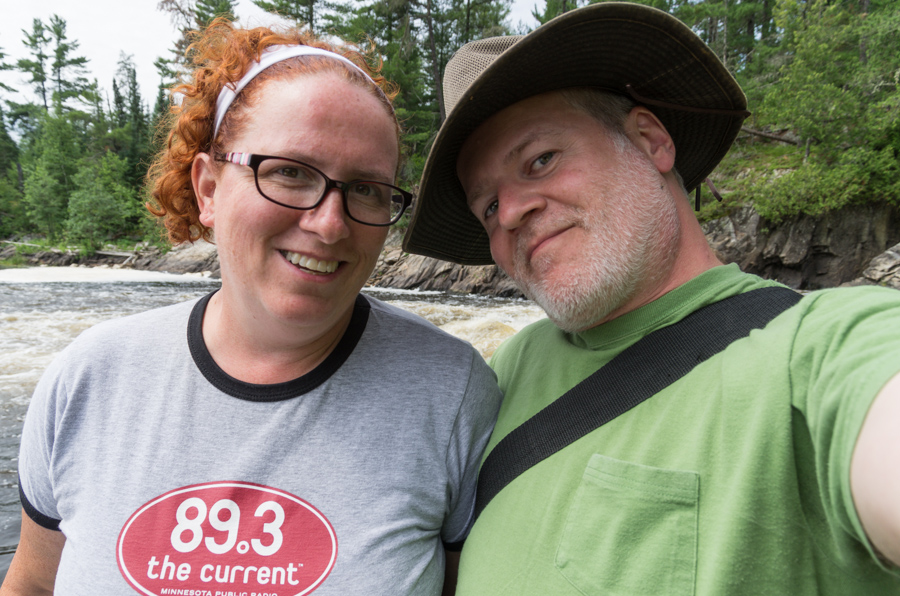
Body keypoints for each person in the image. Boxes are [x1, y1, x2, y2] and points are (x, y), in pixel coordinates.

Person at [402, 3, 900, 594]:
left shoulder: (818, 350)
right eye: (487, 206)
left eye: (541, 160)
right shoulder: (502, 371)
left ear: (649, 140)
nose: (510, 213)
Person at [3, 19, 501, 596]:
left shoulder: (450, 391)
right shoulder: (87, 380)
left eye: (366, 188)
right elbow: (32, 586)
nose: (329, 222)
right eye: (289, 172)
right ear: (209, 189)